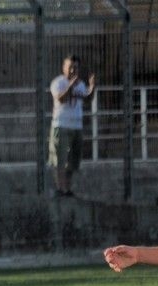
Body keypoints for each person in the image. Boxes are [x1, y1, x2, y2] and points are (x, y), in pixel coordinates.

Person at [49, 55, 95, 197]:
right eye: (70, 67)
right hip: (61, 125)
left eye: (75, 67)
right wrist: (70, 85)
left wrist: (92, 87)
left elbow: (87, 99)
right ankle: (60, 188)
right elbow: (61, 98)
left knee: (72, 162)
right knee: (60, 160)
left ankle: (67, 189)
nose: (72, 70)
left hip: (76, 126)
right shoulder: (58, 83)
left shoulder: (80, 84)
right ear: (64, 68)